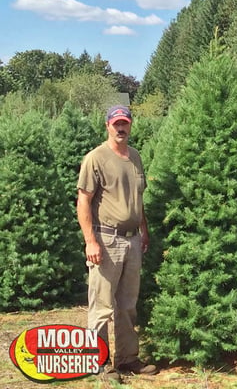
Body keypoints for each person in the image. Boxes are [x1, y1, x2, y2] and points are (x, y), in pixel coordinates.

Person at [76, 105, 157, 381]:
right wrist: (91, 241)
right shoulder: (95, 158)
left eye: (125, 123)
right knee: (101, 306)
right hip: (106, 240)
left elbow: (138, 199)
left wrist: (143, 230)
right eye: (116, 124)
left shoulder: (134, 156)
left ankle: (126, 359)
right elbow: (83, 200)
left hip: (133, 240)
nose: (121, 128)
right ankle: (96, 364)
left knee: (127, 304)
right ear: (107, 126)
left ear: (130, 126)